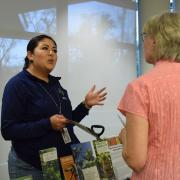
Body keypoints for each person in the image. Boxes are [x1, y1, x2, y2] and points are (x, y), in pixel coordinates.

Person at [1, 34, 107, 180]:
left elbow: (66, 121)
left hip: (60, 165)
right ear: (30, 55)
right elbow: (8, 130)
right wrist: (48, 124)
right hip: (30, 166)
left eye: (55, 50)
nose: (52, 53)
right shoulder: (17, 85)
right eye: (45, 48)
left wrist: (85, 105)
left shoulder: (56, 85)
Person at [118, 11, 180, 180]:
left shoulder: (141, 87)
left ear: (156, 40)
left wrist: (125, 136)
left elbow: (136, 160)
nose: (142, 41)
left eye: (145, 35)